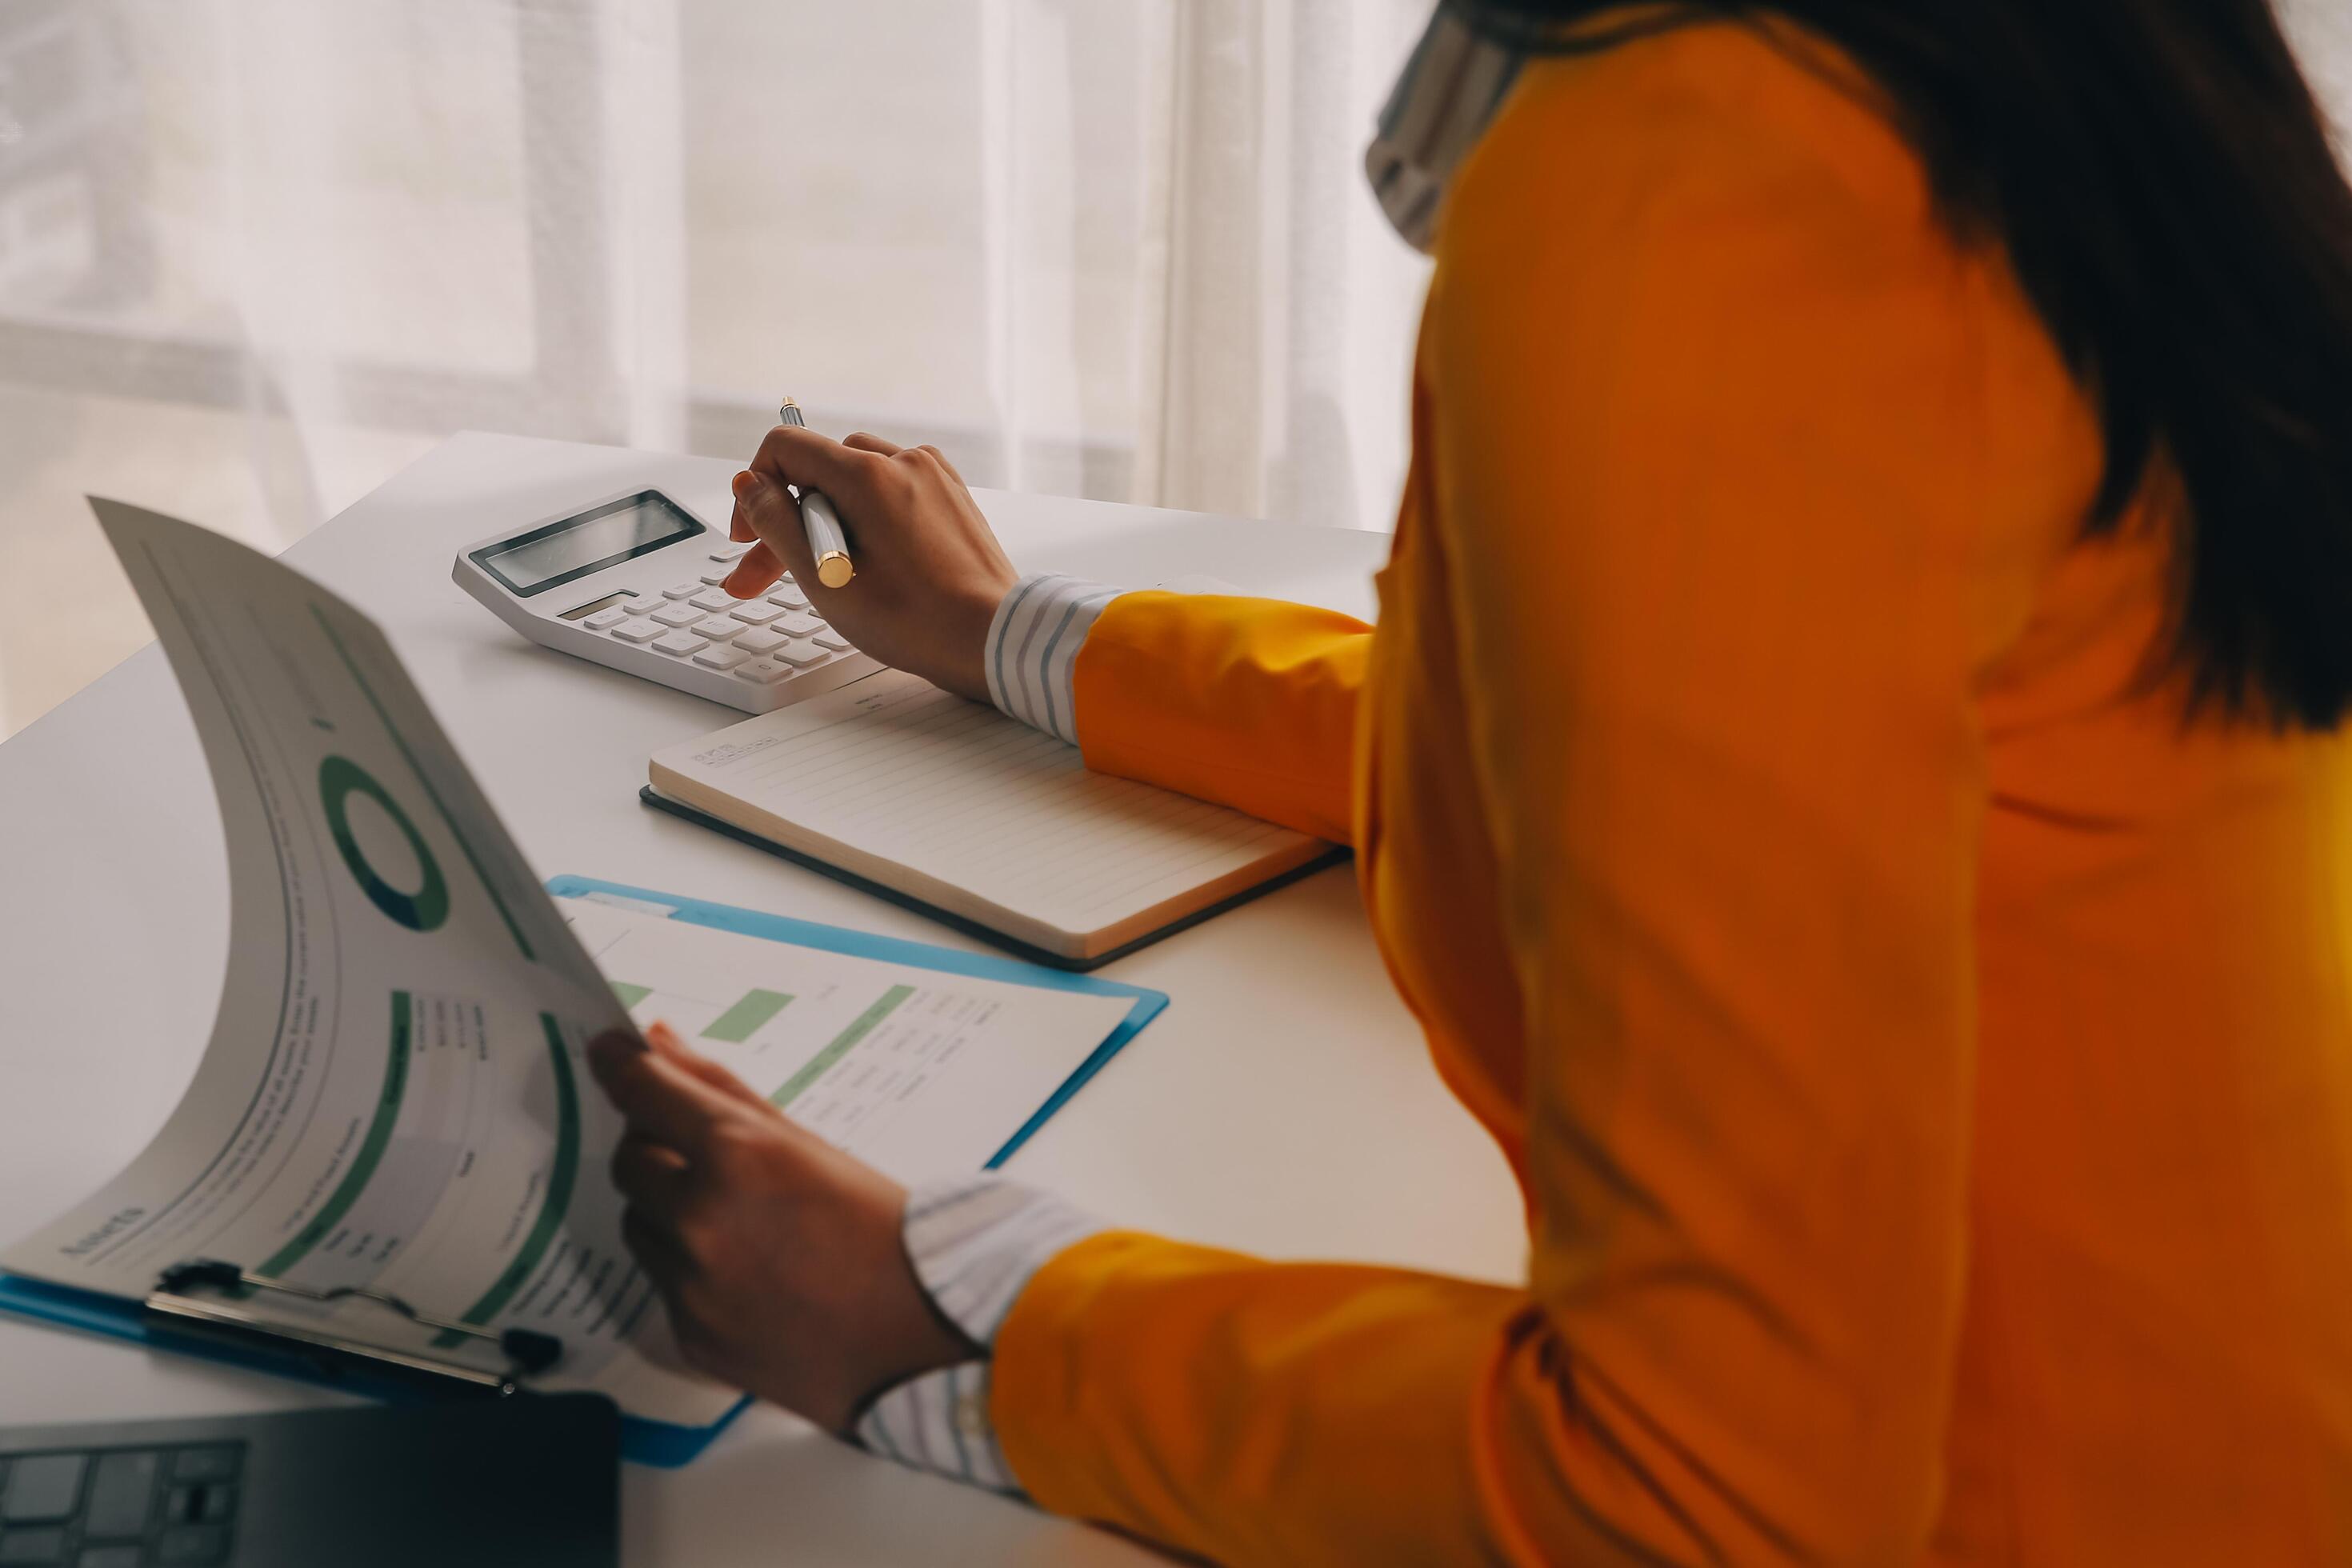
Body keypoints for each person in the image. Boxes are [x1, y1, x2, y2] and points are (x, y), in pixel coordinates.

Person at [585, 2, 2352, 1560]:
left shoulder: (1691, 190)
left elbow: (1704, 1493)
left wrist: (957, 1319)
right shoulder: (1965, 68)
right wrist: (1022, 637)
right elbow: (1656, 732)